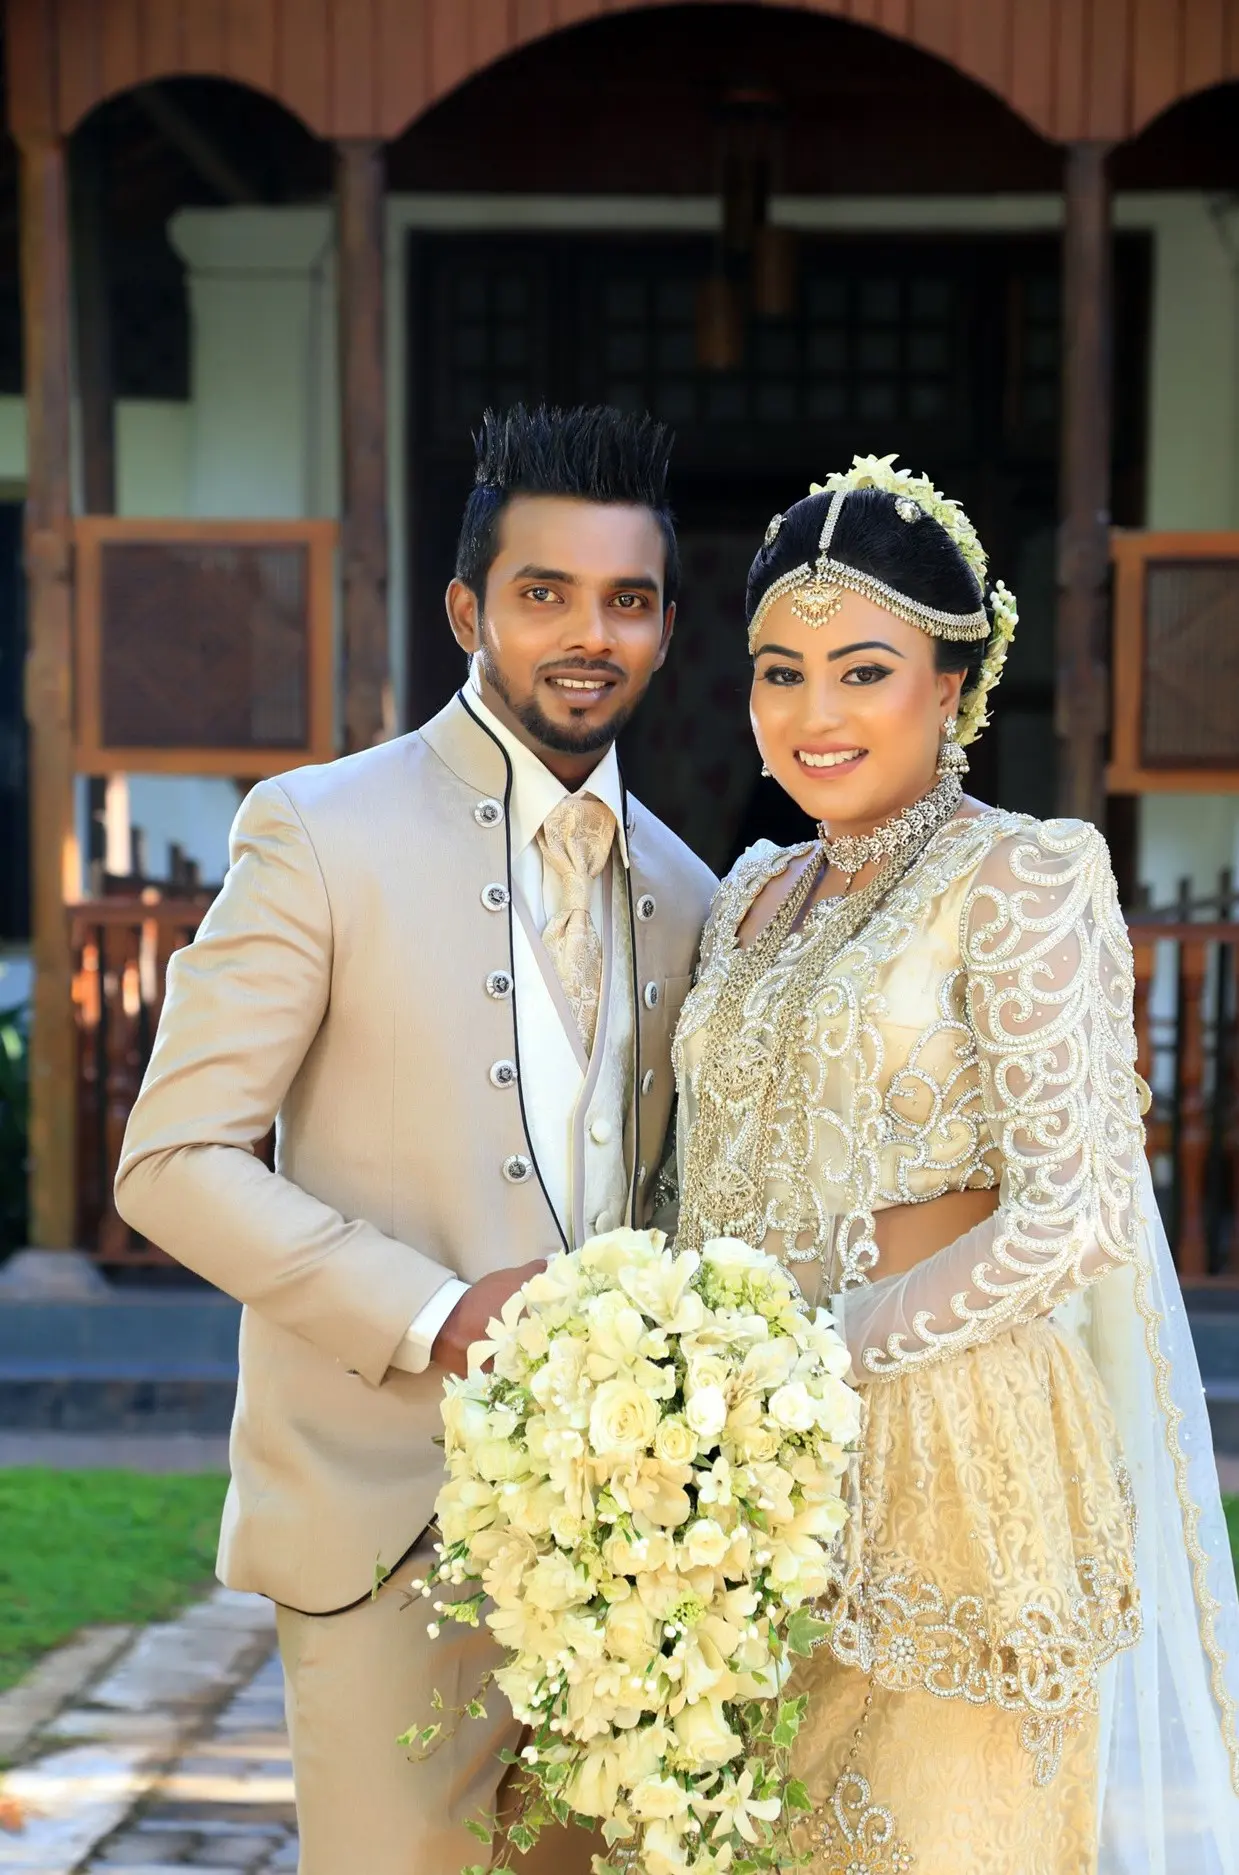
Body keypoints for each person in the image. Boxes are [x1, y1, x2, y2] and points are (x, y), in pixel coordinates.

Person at [114, 404, 717, 1875]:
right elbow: (171, 1160)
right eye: (543, 593)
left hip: (623, 1551)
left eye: (625, 600)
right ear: (466, 608)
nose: (589, 633)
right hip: (384, 1530)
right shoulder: (316, 830)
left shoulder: (695, 893)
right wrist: (435, 1312)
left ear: (662, 627)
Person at [671, 457, 1239, 1872]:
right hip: (747, 1470)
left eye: (862, 670)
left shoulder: (1023, 876)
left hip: (949, 1467)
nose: (813, 715)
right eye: (778, 672)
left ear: (952, 681)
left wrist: (826, 1354)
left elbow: (1074, 1213)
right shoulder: (747, 896)